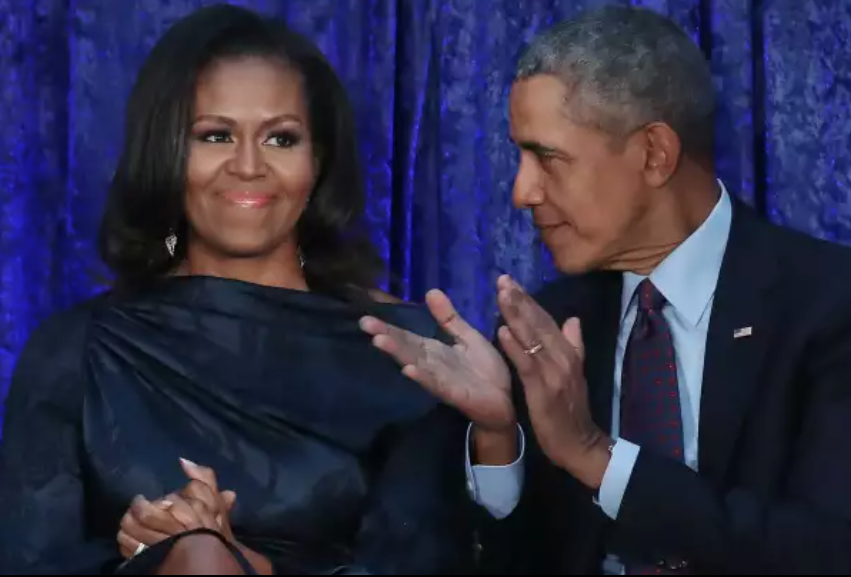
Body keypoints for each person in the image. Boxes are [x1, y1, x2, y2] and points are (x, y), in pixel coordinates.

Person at [360, 5, 851, 575]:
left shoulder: (829, 302)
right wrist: (498, 439)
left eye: (547, 158)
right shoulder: (547, 327)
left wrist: (595, 455)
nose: (522, 191)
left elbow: (829, 550)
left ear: (654, 154)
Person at [0, 5, 475, 575]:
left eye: (280, 138)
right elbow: (30, 560)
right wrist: (162, 555)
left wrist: (242, 562)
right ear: (166, 153)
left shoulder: (406, 352)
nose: (248, 166)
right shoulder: (77, 349)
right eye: (216, 135)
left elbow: (429, 561)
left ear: (317, 162)